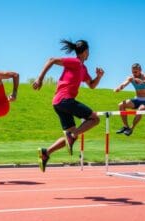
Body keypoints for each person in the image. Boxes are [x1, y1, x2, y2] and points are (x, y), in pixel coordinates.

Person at [32, 39, 104, 172]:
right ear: (85, 52)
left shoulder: (83, 68)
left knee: (71, 135)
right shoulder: (75, 62)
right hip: (65, 100)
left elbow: (92, 85)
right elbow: (52, 59)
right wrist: (40, 78)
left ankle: (45, 153)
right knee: (95, 119)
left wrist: (98, 76)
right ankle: (71, 136)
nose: (89, 54)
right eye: (88, 51)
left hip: (58, 103)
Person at [114, 63, 145, 136]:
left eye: (136, 72)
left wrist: (143, 81)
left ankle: (131, 128)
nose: (134, 73)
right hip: (137, 100)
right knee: (121, 105)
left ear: (140, 70)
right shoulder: (131, 78)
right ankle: (126, 126)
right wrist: (119, 88)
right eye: (133, 72)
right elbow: (124, 84)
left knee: (140, 110)